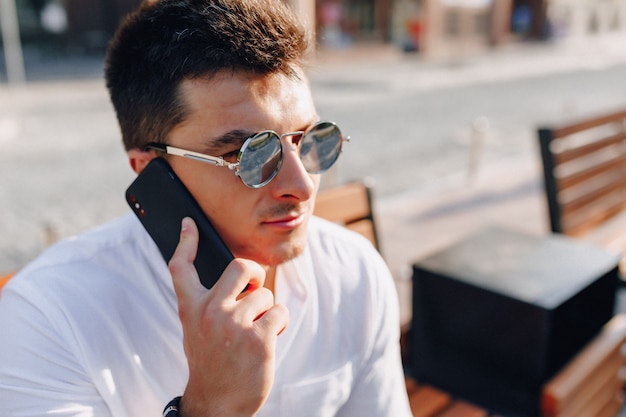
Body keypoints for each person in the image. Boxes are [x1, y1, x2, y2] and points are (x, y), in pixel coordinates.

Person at [0, 0, 412, 416]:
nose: (302, 186)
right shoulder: (49, 317)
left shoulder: (354, 272)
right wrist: (209, 407)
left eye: (309, 139)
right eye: (251, 156)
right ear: (150, 171)